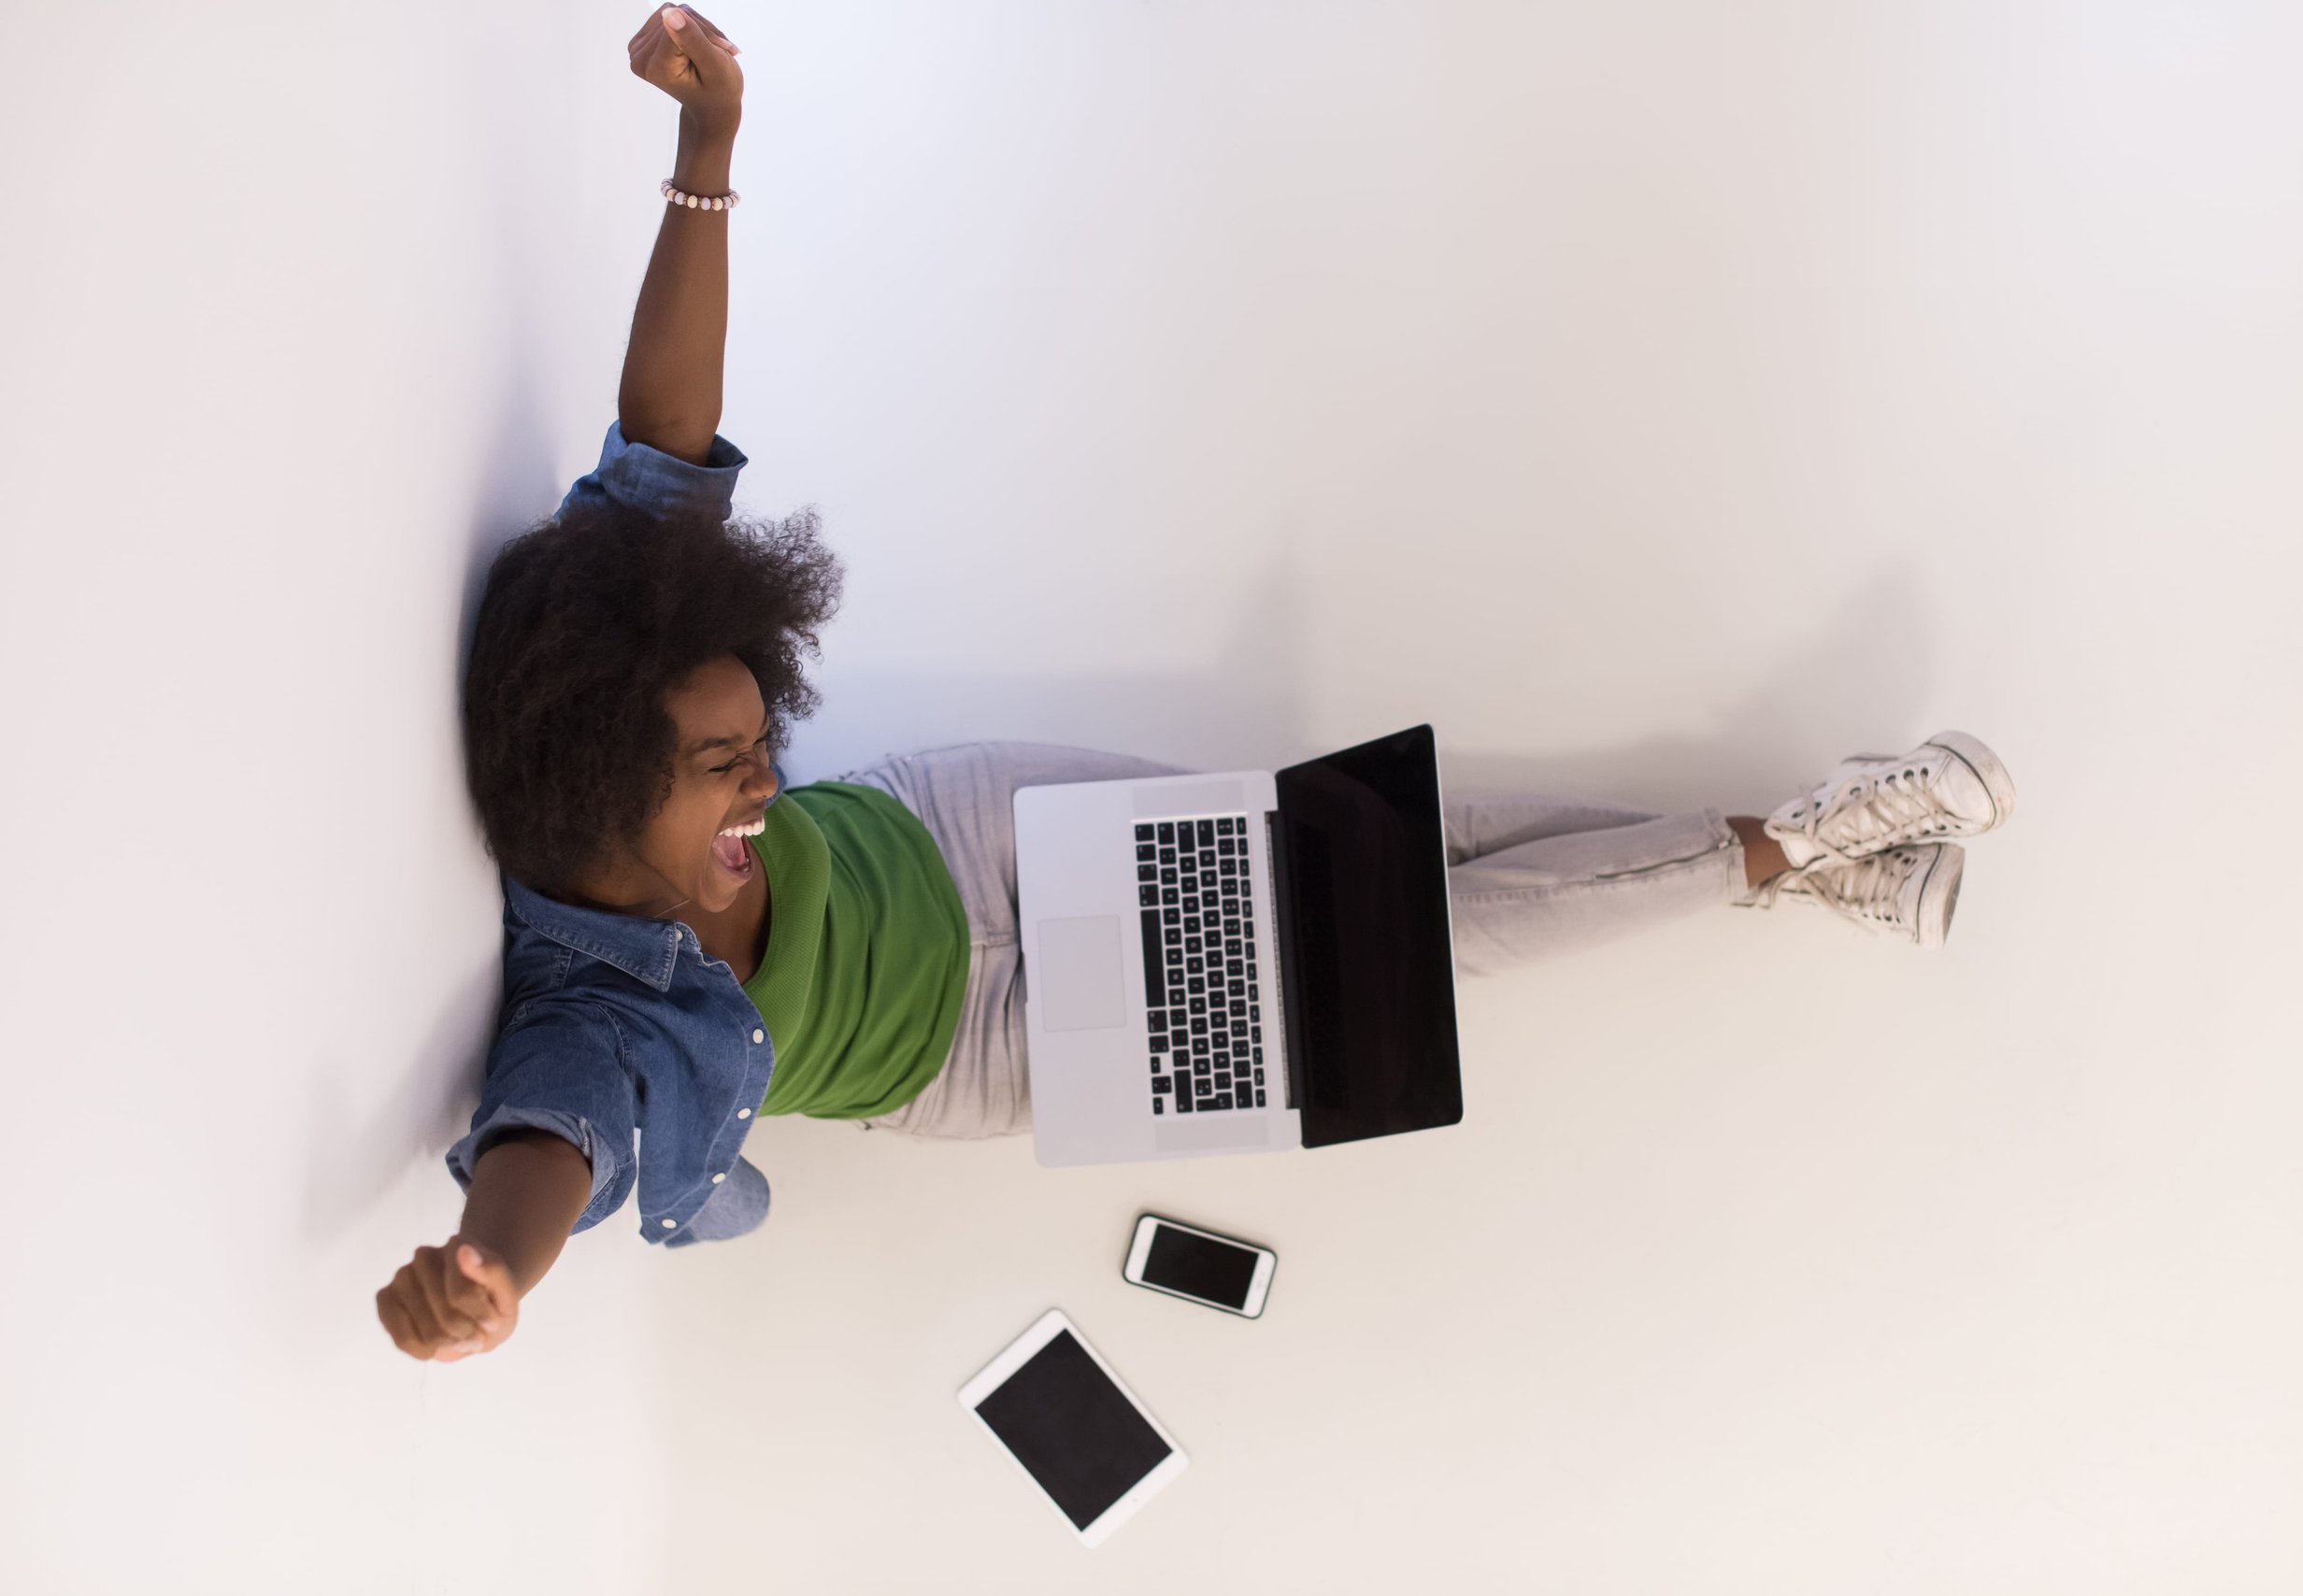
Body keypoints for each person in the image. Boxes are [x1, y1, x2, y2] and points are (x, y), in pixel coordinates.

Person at [375, 7, 2019, 1363]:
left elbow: (661, 444)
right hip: (994, 1047)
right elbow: (551, 1143)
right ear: (597, 788)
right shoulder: (592, 1015)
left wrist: (708, 151)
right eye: (722, 767)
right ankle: (1807, 844)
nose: (764, 782)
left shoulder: (610, 631)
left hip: (966, 834)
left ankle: (1806, 858)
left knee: (1392, 844)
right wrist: (492, 1269)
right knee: (1420, 956)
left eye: (754, 739)